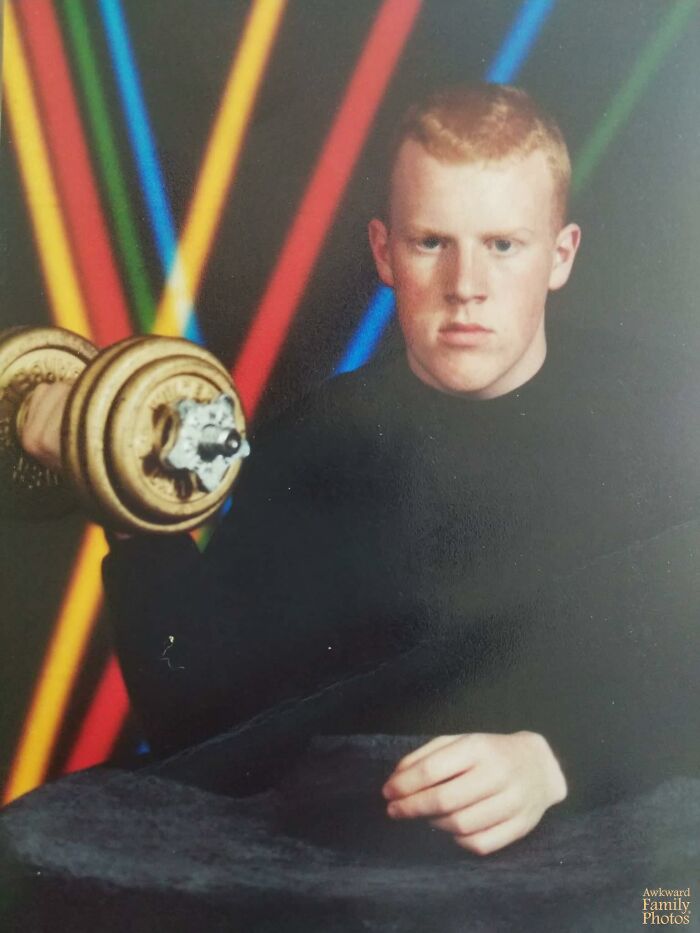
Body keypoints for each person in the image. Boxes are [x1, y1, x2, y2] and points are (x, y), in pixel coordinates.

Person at [20, 85, 699, 857]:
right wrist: (119, 492)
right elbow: (202, 730)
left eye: (503, 245)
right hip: (361, 882)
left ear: (561, 255)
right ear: (383, 251)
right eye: (430, 242)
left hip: (618, 877)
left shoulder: (674, 421)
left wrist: (556, 761)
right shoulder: (309, 444)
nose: (465, 285)